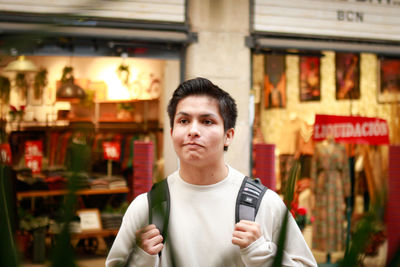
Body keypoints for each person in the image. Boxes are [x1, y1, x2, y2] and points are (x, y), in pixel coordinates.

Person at [106, 77, 317, 267]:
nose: (193, 130)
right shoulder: (146, 207)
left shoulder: (264, 204)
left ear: (229, 135)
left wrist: (261, 253)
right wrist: (141, 257)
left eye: (207, 121)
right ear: (172, 133)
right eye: (183, 121)